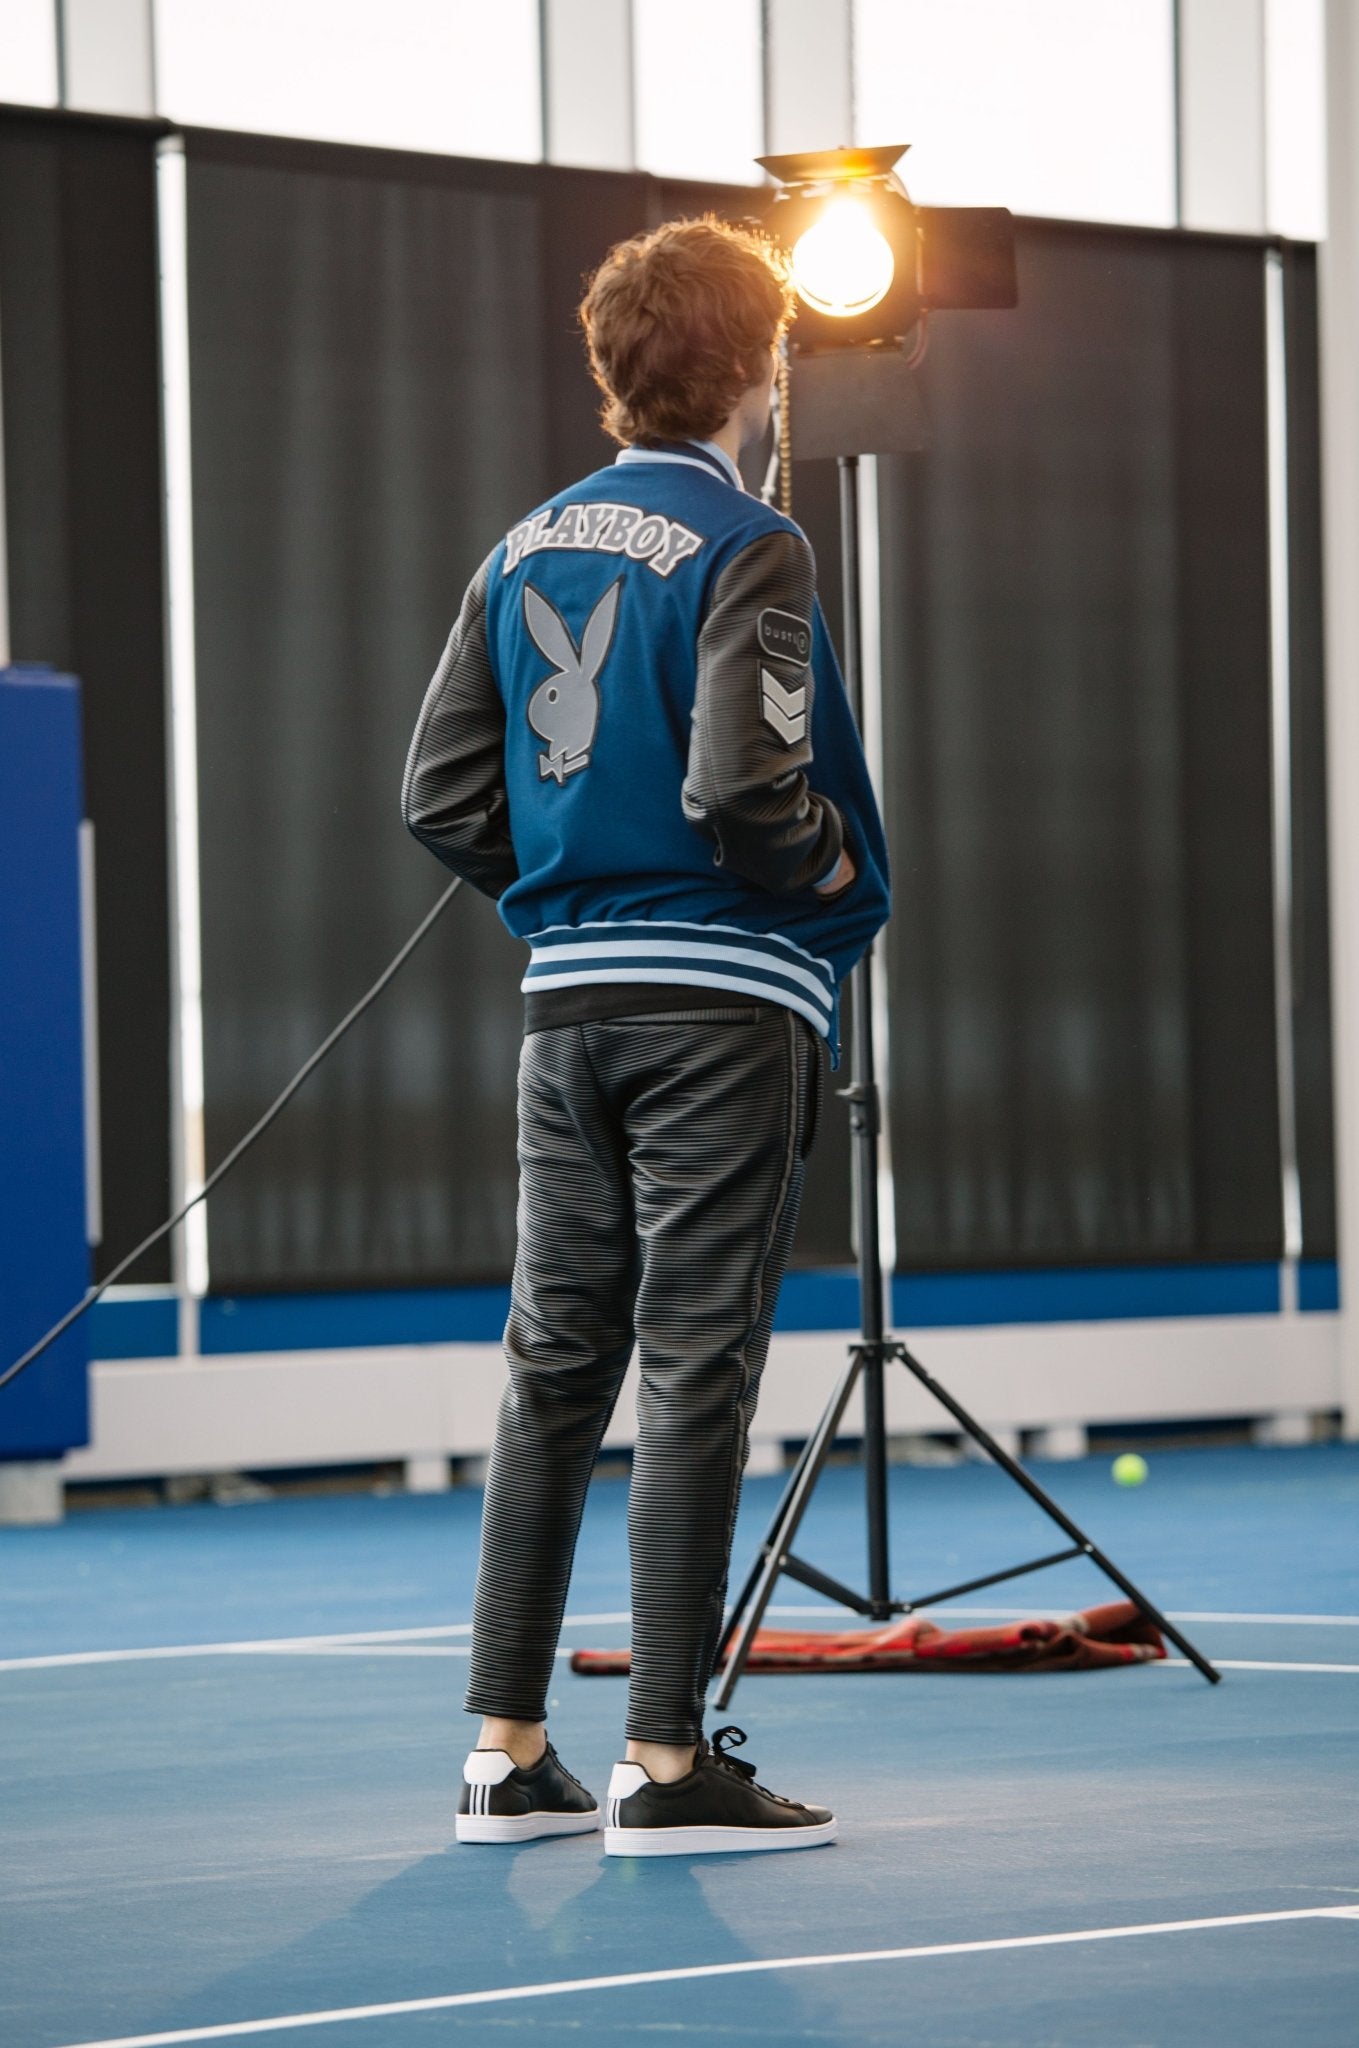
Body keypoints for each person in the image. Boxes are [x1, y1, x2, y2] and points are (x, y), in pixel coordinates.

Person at [402, 215, 890, 1856]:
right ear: (761, 366)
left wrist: (561, 902)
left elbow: (440, 797)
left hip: (568, 1014)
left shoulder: (522, 546)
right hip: (720, 1012)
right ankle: (668, 1769)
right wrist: (826, 867)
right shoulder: (755, 542)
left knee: (554, 1371)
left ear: (611, 371)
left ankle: (503, 1757)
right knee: (694, 1372)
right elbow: (747, 793)